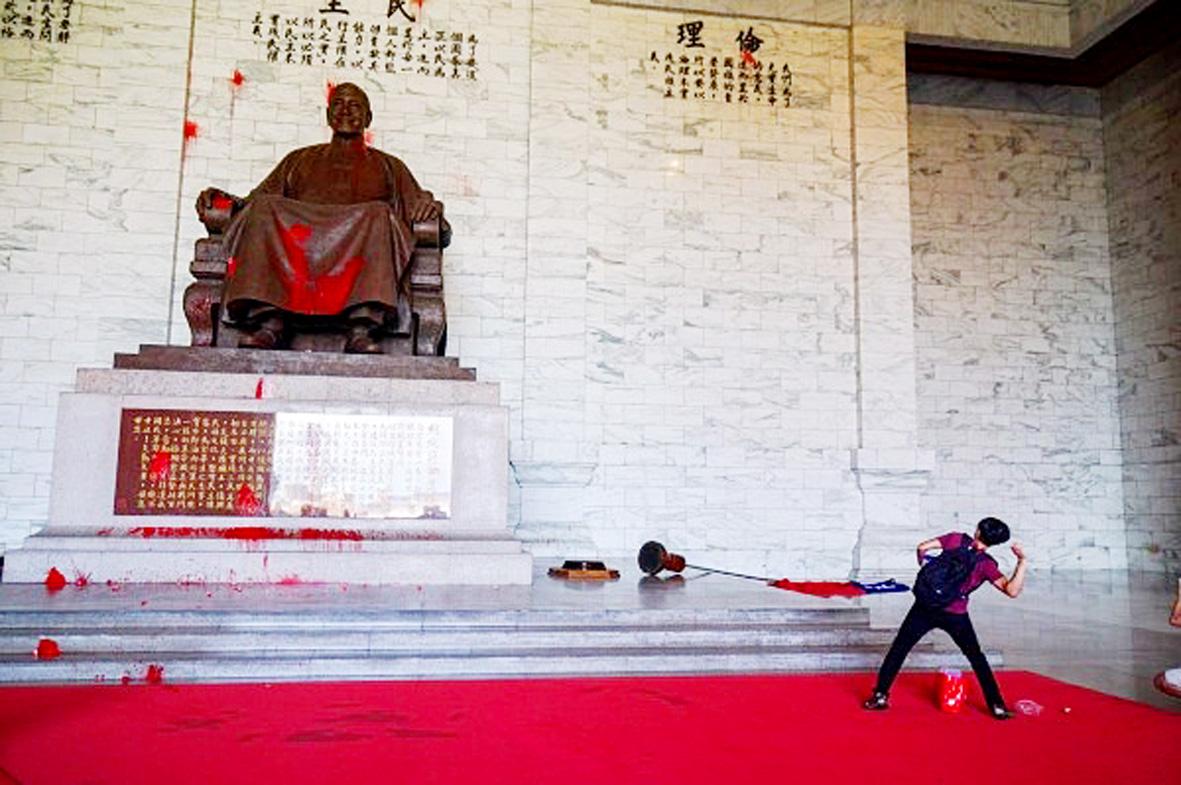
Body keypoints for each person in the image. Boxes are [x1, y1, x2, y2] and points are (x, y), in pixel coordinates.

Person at [195, 83, 442, 354]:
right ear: (327, 116)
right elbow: (252, 203)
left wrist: (431, 209)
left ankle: (361, 328)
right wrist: (225, 201)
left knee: (378, 214)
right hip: (299, 246)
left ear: (368, 118)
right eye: (339, 104)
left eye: (355, 105)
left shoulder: (389, 166)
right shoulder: (299, 160)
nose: (345, 111)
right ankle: (270, 322)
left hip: (361, 241)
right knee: (265, 207)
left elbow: (430, 216)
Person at [862, 517, 1027, 719]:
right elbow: (1011, 590)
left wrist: (927, 572)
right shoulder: (987, 565)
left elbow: (922, 547)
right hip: (955, 614)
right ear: (995, 543)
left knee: (899, 649)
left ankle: (880, 695)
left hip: (925, 606)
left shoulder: (956, 539)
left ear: (977, 531)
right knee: (976, 657)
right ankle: (996, 705)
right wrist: (1022, 561)